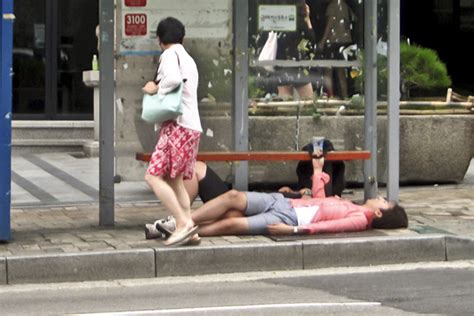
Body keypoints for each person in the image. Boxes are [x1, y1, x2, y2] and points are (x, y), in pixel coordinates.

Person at [153, 149, 408, 238]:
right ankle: (180, 223)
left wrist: (293, 231)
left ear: (378, 212)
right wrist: (317, 170)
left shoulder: (359, 219)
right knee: (232, 199)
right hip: (282, 202)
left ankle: (182, 230)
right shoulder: (352, 204)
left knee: (231, 221)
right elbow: (319, 201)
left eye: (385, 202)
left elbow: (326, 228)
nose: (380, 197)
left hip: (289, 220)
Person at [142, 17, 202, 247]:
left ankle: (183, 223)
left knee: (153, 176)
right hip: (191, 127)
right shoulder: (188, 58)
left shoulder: (169, 55)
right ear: (182, 37)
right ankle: (189, 227)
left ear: (160, 39)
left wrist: (154, 87)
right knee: (175, 180)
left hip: (177, 126)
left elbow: (174, 79)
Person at [262, 0, 316, 100]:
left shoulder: (279, 21)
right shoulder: (299, 22)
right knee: (308, 100)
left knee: (285, 101)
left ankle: (285, 114)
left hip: (280, 64)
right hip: (296, 65)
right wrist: (307, 18)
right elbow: (310, 38)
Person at [318, 0, 355, 99]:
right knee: (341, 71)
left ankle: (330, 96)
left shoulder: (332, 6)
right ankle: (345, 95)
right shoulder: (345, 6)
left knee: (328, 70)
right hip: (345, 41)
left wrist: (323, 41)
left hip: (333, 42)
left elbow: (330, 24)